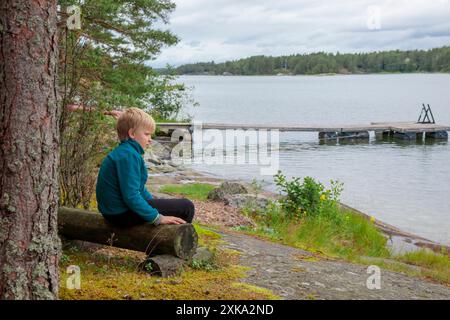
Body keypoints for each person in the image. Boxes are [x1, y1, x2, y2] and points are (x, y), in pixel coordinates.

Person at [95, 107, 195, 227]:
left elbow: (139, 189)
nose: (150, 140)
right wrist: (157, 217)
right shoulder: (128, 156)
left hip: (114, 211)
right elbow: (131, 195)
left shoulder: (126, 152)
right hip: (119, 215)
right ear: (132, 133)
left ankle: (166, 238)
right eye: (147, 134)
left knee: (168, 204)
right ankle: (174, 241)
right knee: (186, 207)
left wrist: (152, 202)